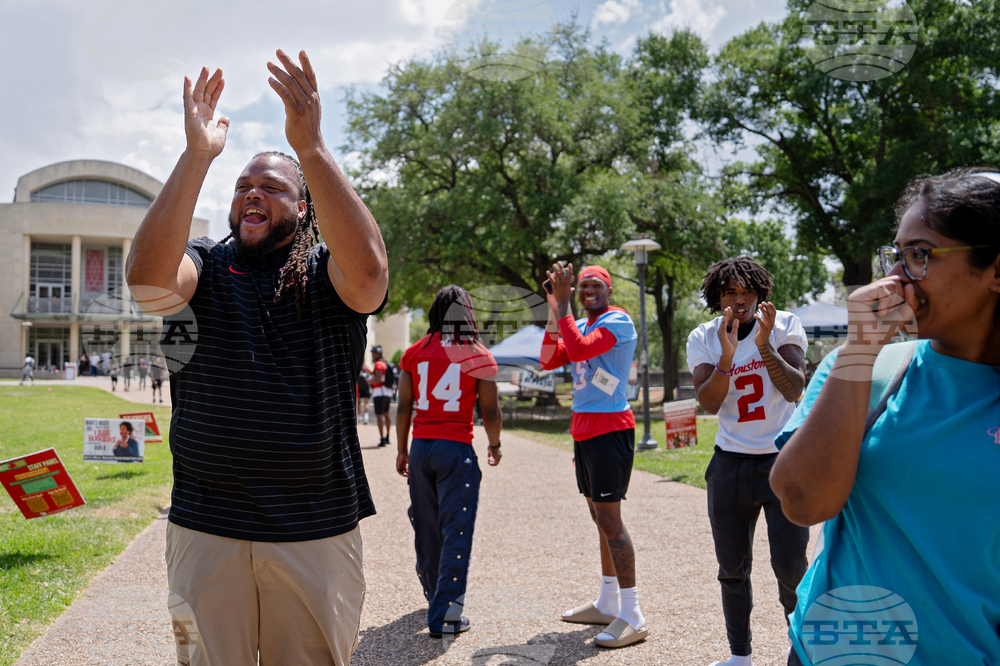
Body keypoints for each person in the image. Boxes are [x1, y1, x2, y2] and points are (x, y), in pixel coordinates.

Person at [125, 51, 388, 666]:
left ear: (304, 207)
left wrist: (312, 145)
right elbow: (147, 284)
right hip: (203, 526)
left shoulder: (328, 272)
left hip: (314, 528)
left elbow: (371, 274)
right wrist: (197, 156)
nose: (253, 194)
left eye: (273, 187)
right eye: (244, 186)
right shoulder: (203, 265)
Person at [770, 169, 1000, 666]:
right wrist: (859, 351)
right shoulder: (862, 369)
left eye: (919, 255)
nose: (895, 278)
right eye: (894, 255)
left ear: (996, 270)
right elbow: (801, 501)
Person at [685, 256, 809, 666]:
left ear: (760, 294)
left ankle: (803, 653)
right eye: (730, 293)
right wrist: (727, 353)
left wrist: (762, 346)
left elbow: (794, 389)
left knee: (790, 566)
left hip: (781, 461)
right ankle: (740, 656)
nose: (740, 301)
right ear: (716, 297)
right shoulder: (704, 336)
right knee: (732, 569)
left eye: (747, 293)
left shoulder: (784, 324)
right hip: (730, 464)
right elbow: (708, 403)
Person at [539, 263, 645, 649]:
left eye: (595, 284)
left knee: (610, 520)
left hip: (610, 429)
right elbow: (550, 358)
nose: (587, 290)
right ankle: (608, 600)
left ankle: (632, 612)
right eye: (581, 285)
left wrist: (564, 305)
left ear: (609, 290)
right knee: (599, 517)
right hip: (584, 428)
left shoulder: (618, 321)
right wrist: (555, 310)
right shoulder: (577, 323)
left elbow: (582, 350)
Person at [395, 285, 503, 639]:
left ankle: (434, 598)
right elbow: (490, 410)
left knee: (426, 527)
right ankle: (446, 616)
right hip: (456, 449)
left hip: (422, 446)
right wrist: (495, 444)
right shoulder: (479, 355)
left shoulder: (414, 353)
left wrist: (401, 449)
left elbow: (404, 407)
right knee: (456, 529)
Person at [370, 345, 392, 446]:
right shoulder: (385, 363)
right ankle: (387, 437)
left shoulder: (378, 364)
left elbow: (378, 379)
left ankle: (382, 439)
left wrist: (368, 381)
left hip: (379, 393)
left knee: (379, 416)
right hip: (387, 392)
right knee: (386, 415)